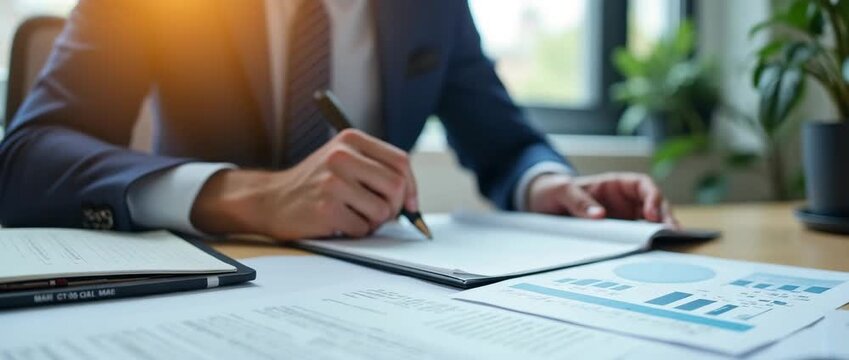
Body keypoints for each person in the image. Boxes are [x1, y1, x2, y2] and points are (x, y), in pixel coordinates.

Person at [0, 0, 677, 240]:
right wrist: (244, 196)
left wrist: (549, 184)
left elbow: (502, 139)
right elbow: (24, 158)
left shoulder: (431, 8)